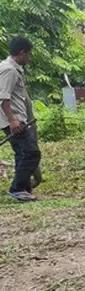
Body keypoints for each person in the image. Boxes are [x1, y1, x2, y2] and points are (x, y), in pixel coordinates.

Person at [0, 36, 40, 202]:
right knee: (32, 153)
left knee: (22, 154)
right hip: (13, 120)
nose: (29, 58)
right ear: (22, 52)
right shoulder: (9, 70)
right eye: (28, 54)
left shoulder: (12, 68)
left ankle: (22, 189)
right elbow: (3, 97)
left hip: (16, 119)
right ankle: (17, 188)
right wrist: (12, 120)